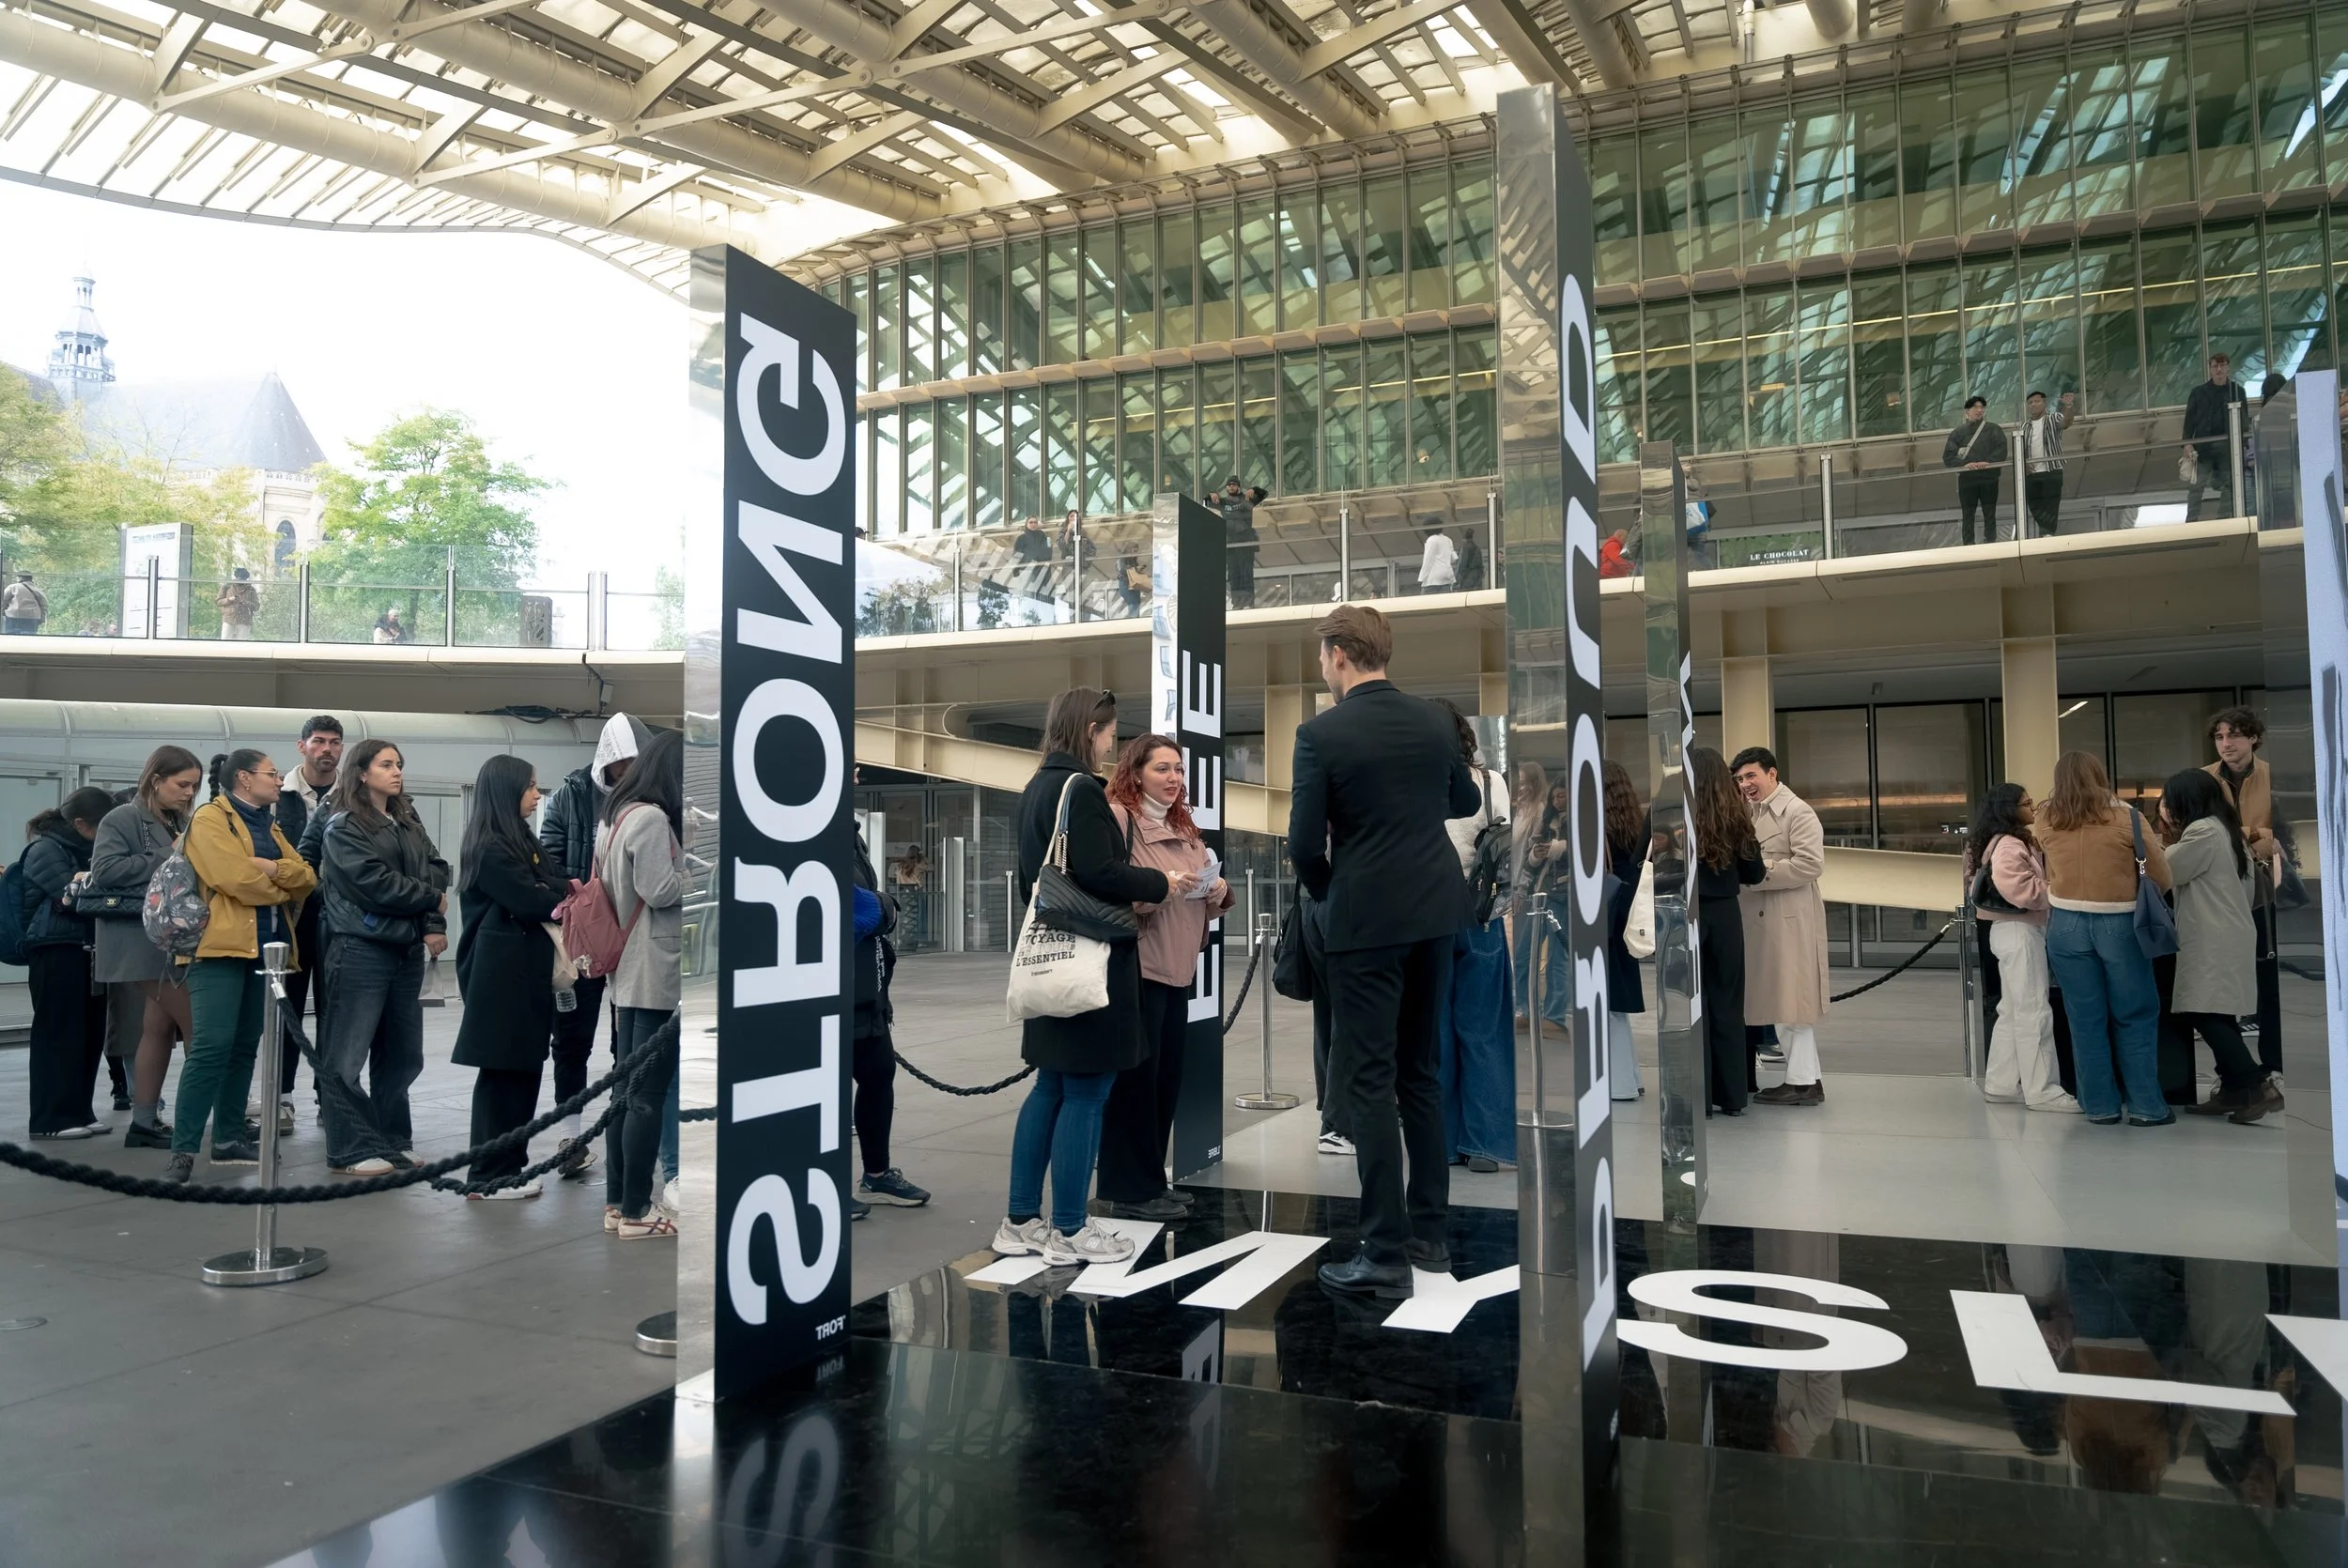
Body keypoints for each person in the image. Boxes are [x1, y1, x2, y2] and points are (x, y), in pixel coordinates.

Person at [1288, 605, 1481, 1299]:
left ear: (1339, 654)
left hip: (1365, 918)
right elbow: (1462, 798)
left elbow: (1305, 845)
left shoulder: (1320, 734)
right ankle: (1428, 1233)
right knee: (1420, 1075)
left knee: (1367, 1081)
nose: (1322, 667)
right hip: (1436, 912)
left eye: (1321, 656)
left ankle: (1383, 1250)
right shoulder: (1435, 718)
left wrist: (1328, 892)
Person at [992, 688, 1162, 1267]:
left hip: (1048, 963)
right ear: (1091, 729)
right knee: (1087, 1093)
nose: (1114, 739)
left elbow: (1030, 883)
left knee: (1050, 1088)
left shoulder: (1036, 787)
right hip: (1090, 968)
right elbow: (1100, 873)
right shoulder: (1082, 791)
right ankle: (1069, 1227)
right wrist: (1159, 884)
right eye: (1110, 730)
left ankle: (1020, 1220)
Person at [1097, 732, 1231, 1220]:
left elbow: (1201, 901)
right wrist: (1164, 887)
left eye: (1178, 769)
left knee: (1164, 1081)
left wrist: (1215, 889)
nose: (1174, 778)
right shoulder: (1118, 819)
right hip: (1138, 968)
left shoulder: (1186, 828)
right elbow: (1111, 889)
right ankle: (1129, 1189)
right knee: (1135, 1084)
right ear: (1135, 773)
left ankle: (1151, 1180)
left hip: (1179, 969)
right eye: (1162, 769)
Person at [167, 751, 317, 1183]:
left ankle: (229, 1137)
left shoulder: (268, 824)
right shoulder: (210, 819)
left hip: (266, 953)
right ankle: (183, 1151)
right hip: (217, 951)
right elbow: (233, 880)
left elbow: (307, 876)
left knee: (244, 1047)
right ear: (245, 779)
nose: (279, 782)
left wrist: (272, 867)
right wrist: (281, 889)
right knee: (211, 1047)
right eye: (272, 775)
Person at [317, 739, 449, 1176]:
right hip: (361, 947)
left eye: (399, 765)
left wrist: (430, 913)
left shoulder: (406, 821)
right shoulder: (344, 826)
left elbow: (437, 866)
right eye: (386, 765)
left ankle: (394, 1140)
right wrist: (429, 897)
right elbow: (373, 884)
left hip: (404, 948)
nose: (396, 772)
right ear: (361, 772)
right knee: (347, 1056)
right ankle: (350, 1148)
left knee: (402, 1054)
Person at [452, 755, 569, 1199]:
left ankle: (510, 1166)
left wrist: (553, 889)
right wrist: (552, 891)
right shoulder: (489, 845)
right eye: (531, 786)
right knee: (502, 1075)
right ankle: (488, 1175)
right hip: (499, 976)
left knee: (522, 1070)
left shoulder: (519, 837)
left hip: (524, 973)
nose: (538, 795)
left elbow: (552, 880)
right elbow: (533, 897)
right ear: (507, 790)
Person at [540, 712, 649, 1175]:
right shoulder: (570, 793)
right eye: (620, 760)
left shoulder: (650, 797)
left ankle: (630, 1124)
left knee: (633, 1034)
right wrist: (579, 892)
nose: (626, 769)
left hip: (635, 935)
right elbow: (550, 855)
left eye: (634, 760)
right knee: (571, 1037)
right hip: (582, 933)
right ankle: (571, 1134)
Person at [2038, 750, 2172, 1126]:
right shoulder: (2127, 817)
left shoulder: (2046, 818)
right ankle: (2147, 1107)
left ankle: (2100, 1106)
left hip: (2064, 924)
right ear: (2100, 775)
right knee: (2135, 1013)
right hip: (2119, 922)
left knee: (2084, 1018)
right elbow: (2162, 876)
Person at [90, 748, 204, 1147]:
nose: (189, 793)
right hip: (136, 942)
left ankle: (144, 1122)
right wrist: (165, 853)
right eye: (182, 784)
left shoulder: (175, 819)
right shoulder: (122, 818)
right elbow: (104, 872)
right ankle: (216, 1119)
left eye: (194, 786)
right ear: (156, 779)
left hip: (163, 944)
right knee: (200, 1028)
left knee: (156, 1029)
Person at [599, 728, 686, 1238]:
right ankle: (636, 1211)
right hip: (655, 968)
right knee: (647, 1094)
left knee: (626, 1092)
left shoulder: (618, 815)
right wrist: (701, 872)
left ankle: (618, 1203)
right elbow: (660, 890)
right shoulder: (651, 819)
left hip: (628, 969)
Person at [2159, 770, 2278, 1125]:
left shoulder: (2202, 831)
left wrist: (2161, 837)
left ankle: (2256, 1084)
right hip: (2230, 933)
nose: (2168, 808)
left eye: (2170, 802)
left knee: (2202, 1011)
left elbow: (2167, 870)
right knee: (2219, 1011)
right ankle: (2233, 1090)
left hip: (2212, 937)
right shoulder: (2227, 830)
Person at [1967, 783, 2078, 1112]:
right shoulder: (2011, 845)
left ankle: (2001, 1083)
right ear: (2009, 808)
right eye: (2026, 803)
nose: (2033, 808)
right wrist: (2054, 891)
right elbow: (2018, 887)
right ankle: (2042, 1090)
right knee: (2034, 1011)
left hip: (2003, 930)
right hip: (2021, 929)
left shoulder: (1987, 843)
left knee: (2012, 1011)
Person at [1435, 703, 1511, 1172]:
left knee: (1433, 1030)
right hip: (1480, 910)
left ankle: (1440, 1141)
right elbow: (1505, 841)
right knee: (1483, 1028)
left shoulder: (1410, 778)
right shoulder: (1489, 781)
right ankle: (1484, 1143)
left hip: (1424, 912)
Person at [1732, 748, 1831, 1108]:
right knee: (1784, 1001)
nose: (1745, 785)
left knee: (1792, 1003)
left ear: (1772, 774)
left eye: (1751, 776)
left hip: (1789, 918)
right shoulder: (1749, 812)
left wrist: (1758, 872)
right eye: (1740, 779)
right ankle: (1807, 1079)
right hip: (1767, 918)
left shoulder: (1798, 812)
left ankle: (1803, 1083)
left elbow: (1809, 865)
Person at [18, 787, 115, 1139]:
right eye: (102, 827)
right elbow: (73, 897)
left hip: (87, 949)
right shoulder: (46, 849)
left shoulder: (84, 850)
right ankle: (50, 1120)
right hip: (55, 950)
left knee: (88, 1034)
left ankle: (79, 1110)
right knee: (58, 1034)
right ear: (79, 823)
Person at [850, 808, 929, 1216]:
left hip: (867, 983)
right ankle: (821, 1180)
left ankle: (876, 1174)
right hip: (829, 984)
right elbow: (853, 908)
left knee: (879, 1073)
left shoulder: (850, 833)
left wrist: (879, 907)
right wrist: (883, 906)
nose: (858, 774)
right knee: (826, 1088)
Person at [2204, 705, 2283, 1080]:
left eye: (2234, 734)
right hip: (2218, 893)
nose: (2226, 743)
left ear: (2253, 737)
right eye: (2220, 736)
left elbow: (2287, 839)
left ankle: (2274, 1065)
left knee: (2270, 983)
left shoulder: (2274, 776)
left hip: (2266, 894)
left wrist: (2246, 837)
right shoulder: (2204, 780)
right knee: (2222, 984)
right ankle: (2232, 1072)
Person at [1689, 747, 1767, 1115]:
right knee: (1727, 1003)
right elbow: (1754, 873)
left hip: (1684, 916)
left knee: (1690, 1006)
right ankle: (1733, 1096)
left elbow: (1646, 857)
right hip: (1725, 916)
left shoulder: (1673, 814)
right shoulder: (1737, 816)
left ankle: (1698, 1096)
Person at [273, 715, 341, 1126]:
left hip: (338, 920)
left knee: (336, 1011)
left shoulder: (354, 795)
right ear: (302, 747)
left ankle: (329, 1095)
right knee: (287, 1010)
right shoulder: (276, 795)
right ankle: (280, 1096)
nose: (327, 749)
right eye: (318, 741)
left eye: (335, 742)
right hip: (290, 919)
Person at [1601, 759, 1648, 1102]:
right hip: (1626, 908)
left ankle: (1619, 1083)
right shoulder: (1636, 820)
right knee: (1616, 998)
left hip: (1604, 910)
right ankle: (1630, 1076)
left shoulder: (1593, 822)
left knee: (1607, 1001)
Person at [2184, 353, 2248, 521]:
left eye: (2222, 366)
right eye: (2215, 366)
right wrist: (2187, 443)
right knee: (2196, 486)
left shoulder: (2237, 391)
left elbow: (2243, 420)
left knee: (2230, 484)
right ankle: (2191, 520)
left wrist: (2243, 443)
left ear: (2228, 368)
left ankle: (2224, 517)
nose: (2219, 369)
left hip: (2227, 447)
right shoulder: (2198, 393)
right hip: (2203, 447)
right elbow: (2189, 420)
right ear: (2210, 370)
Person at [1942, 395, 2009, 545]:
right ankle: (1968, 544)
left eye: (1981, 407)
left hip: (1989, 477)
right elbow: (1948, 456)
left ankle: (1990, 541)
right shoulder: (1958, 432)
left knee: (1990, 511)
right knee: (1968, 513)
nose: (1979, 410)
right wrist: (1964, 465)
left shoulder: (1993, 429)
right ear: (1967, 411)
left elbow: (2002, 449)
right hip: (1968, 478)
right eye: (1975, 407)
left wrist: (1989, 462)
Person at [2019, 390, 2075, 537]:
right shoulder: (2024, 426)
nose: (2033, 405)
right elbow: (2020, 447)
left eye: (2037, 401)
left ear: (2044, 403)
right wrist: (2024, 463)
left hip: (2052, 469)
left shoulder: (2053, 418)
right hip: (2032, 472)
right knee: (2033, 504)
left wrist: (2068, 406)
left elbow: (2066, 423)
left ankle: (2047, 533)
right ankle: (2046, 531)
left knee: (2051, 503)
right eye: (2030, 402)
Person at [1216, 477, 1259, 608]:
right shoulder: (1224, 502)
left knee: (1246, 572)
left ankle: (1248, 601)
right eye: (1229, 485)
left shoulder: (1246, 499)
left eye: (1234, 485)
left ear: (1239, 487)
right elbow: (1206, 501)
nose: (1231, 487)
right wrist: (1212, 493)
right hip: (1231, 544)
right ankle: (1237, 602)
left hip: (1245, 542)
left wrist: (1253, 490)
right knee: (1234, 573)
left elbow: (1263, 493)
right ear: (1226, 488)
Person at [216, 567, 259, 640]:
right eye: (239, 578)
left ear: (246, 579)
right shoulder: (227, 586)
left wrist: (246, 602)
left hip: (244, 620)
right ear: (236, 577)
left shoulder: (251, 590)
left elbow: (256, 606)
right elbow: (218, 601)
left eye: (243, 579)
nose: (241, 580)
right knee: (224, 641)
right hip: (228, 619)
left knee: (242, 643)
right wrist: (229, 600)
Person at [2, 570, 47, 634]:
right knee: (28, 638)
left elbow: (3, 601)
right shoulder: (37, 589)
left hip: (13, 616)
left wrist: (3, 612)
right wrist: (41, 619)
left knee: (12, 638)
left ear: (20, 578)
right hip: (32, 617)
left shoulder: (13, 587)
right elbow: (44, 606)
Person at [1417, 522, 1456, 593]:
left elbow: (1428, 560)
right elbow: (1453, 558)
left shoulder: (1431, 540)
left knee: (1426, 602)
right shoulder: (1448, 540)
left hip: (1433, 578)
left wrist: (1422, 577)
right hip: (1447, 576)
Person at [1456, 528, 1486, 592]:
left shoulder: (1464, 548)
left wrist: (1457, 580)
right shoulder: (1477, 548)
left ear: (1464, 537)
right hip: (1476, 578)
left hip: (1467, 578)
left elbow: (1462, 564)